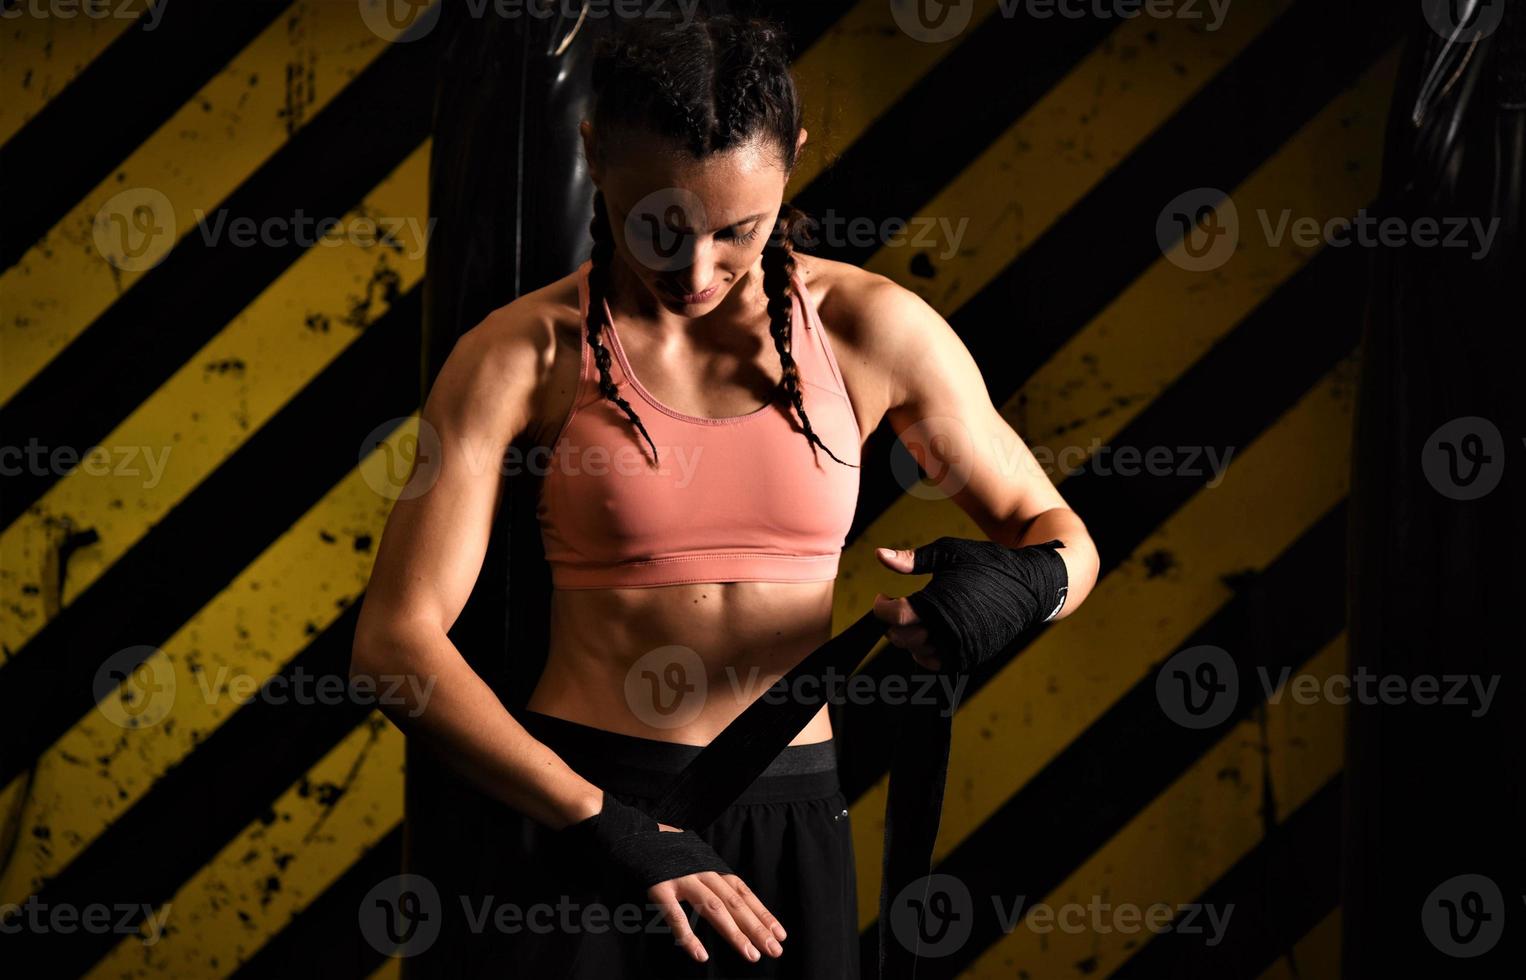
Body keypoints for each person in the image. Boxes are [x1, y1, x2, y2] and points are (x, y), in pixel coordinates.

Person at [350, 13, 1098, 978]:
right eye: (657, 224)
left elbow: (1065, 545)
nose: (694, 270)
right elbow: (392, 643)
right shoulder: (520, 352)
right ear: (593, 156)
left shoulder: (873, 331)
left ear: (792, 164)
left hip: (789, 815)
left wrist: (1005, 593)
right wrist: (604, 823)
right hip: (587, 806)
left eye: (738, 231)